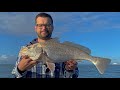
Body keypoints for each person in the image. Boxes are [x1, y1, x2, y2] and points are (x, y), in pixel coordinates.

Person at [11, 12, 79, 78]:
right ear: (35, 28)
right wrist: (20, 70)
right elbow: (14, 75)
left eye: (47, 25)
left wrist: (69, 70)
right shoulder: (25, 50)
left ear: (52, 27)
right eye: (40, 25)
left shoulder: (65, 49)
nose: (44, 28)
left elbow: (74, 76)